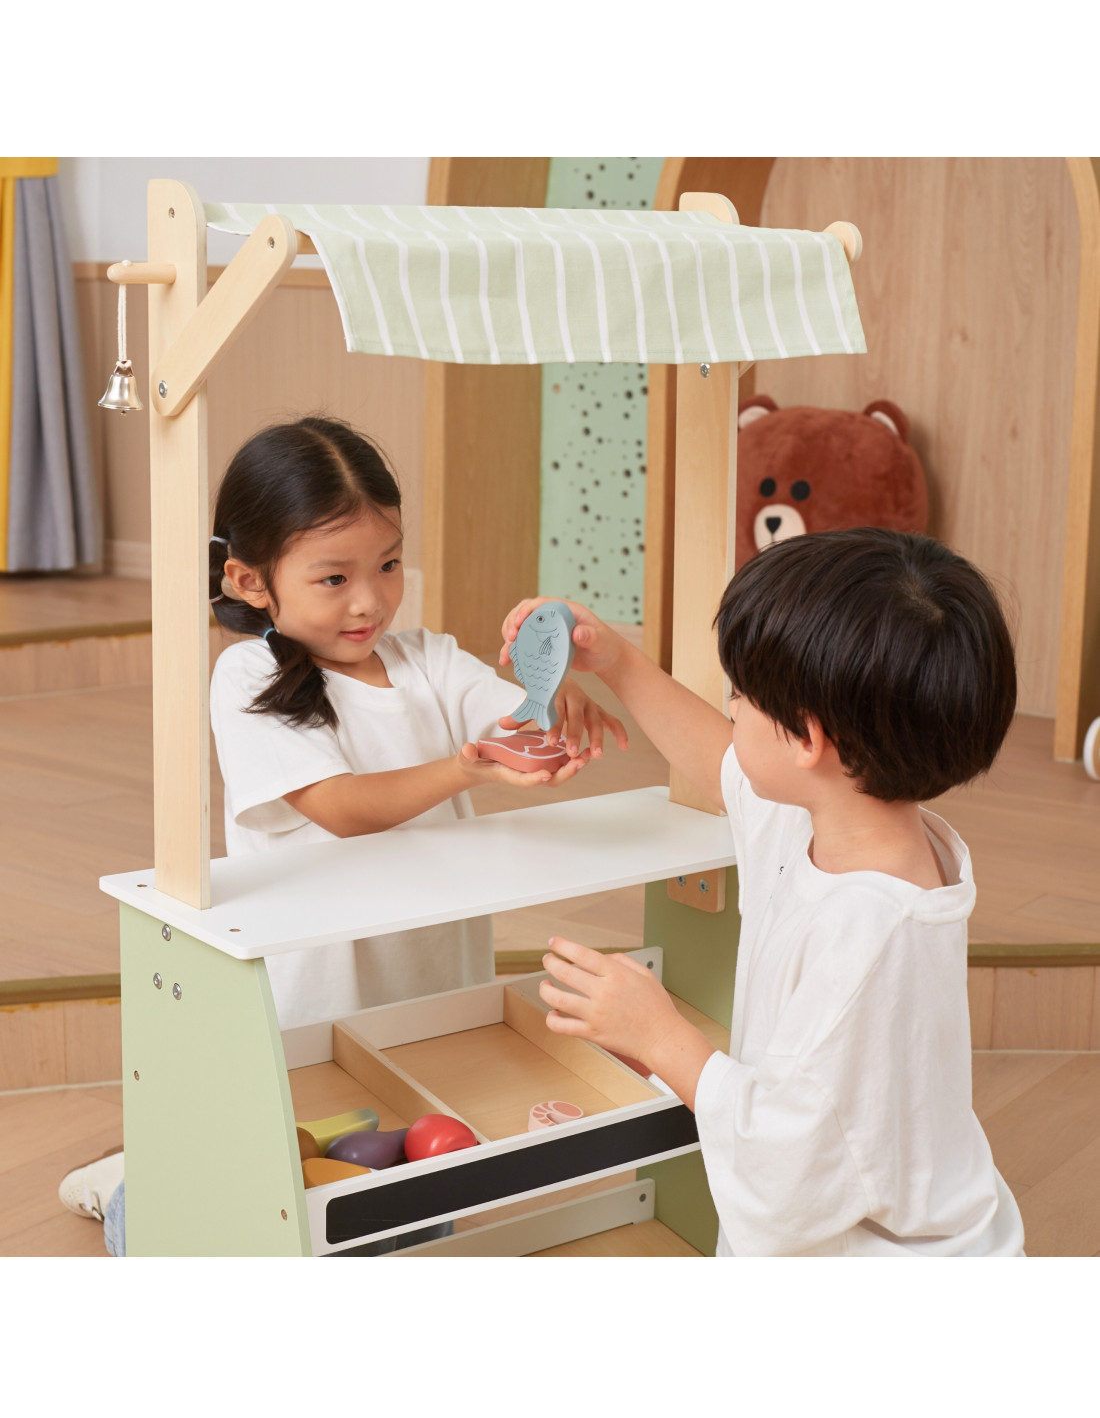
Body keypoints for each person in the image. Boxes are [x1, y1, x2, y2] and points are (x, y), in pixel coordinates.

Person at [59, 415, 625, 1252]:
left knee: (405, 1200)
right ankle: (129, 1191)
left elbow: (505, 715)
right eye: (334, 577)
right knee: (278, 1200)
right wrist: (469, 768)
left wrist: (547, 703)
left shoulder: (429, 658)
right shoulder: (248, 675)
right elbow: (340, 807)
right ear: (251, 580)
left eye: (388, 565)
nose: (370, 600)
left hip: (428, 976)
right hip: (316, 991)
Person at [504, 527, 1026, 1257]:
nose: (732, 710)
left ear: (806, 740)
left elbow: (791, 1168)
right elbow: (730, 764)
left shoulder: (868, 939)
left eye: (740, 697)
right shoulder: (842, 818)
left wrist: (658, 1036)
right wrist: (615, 660)